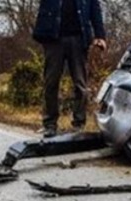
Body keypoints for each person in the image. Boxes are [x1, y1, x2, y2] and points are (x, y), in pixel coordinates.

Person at [33, 0, 106, 137]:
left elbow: (95, 10)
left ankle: (78, 123)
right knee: (51, 82)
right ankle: (50, 124)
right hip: (53, 39)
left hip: (79, 39)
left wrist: (100, 35)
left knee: (80, 84)